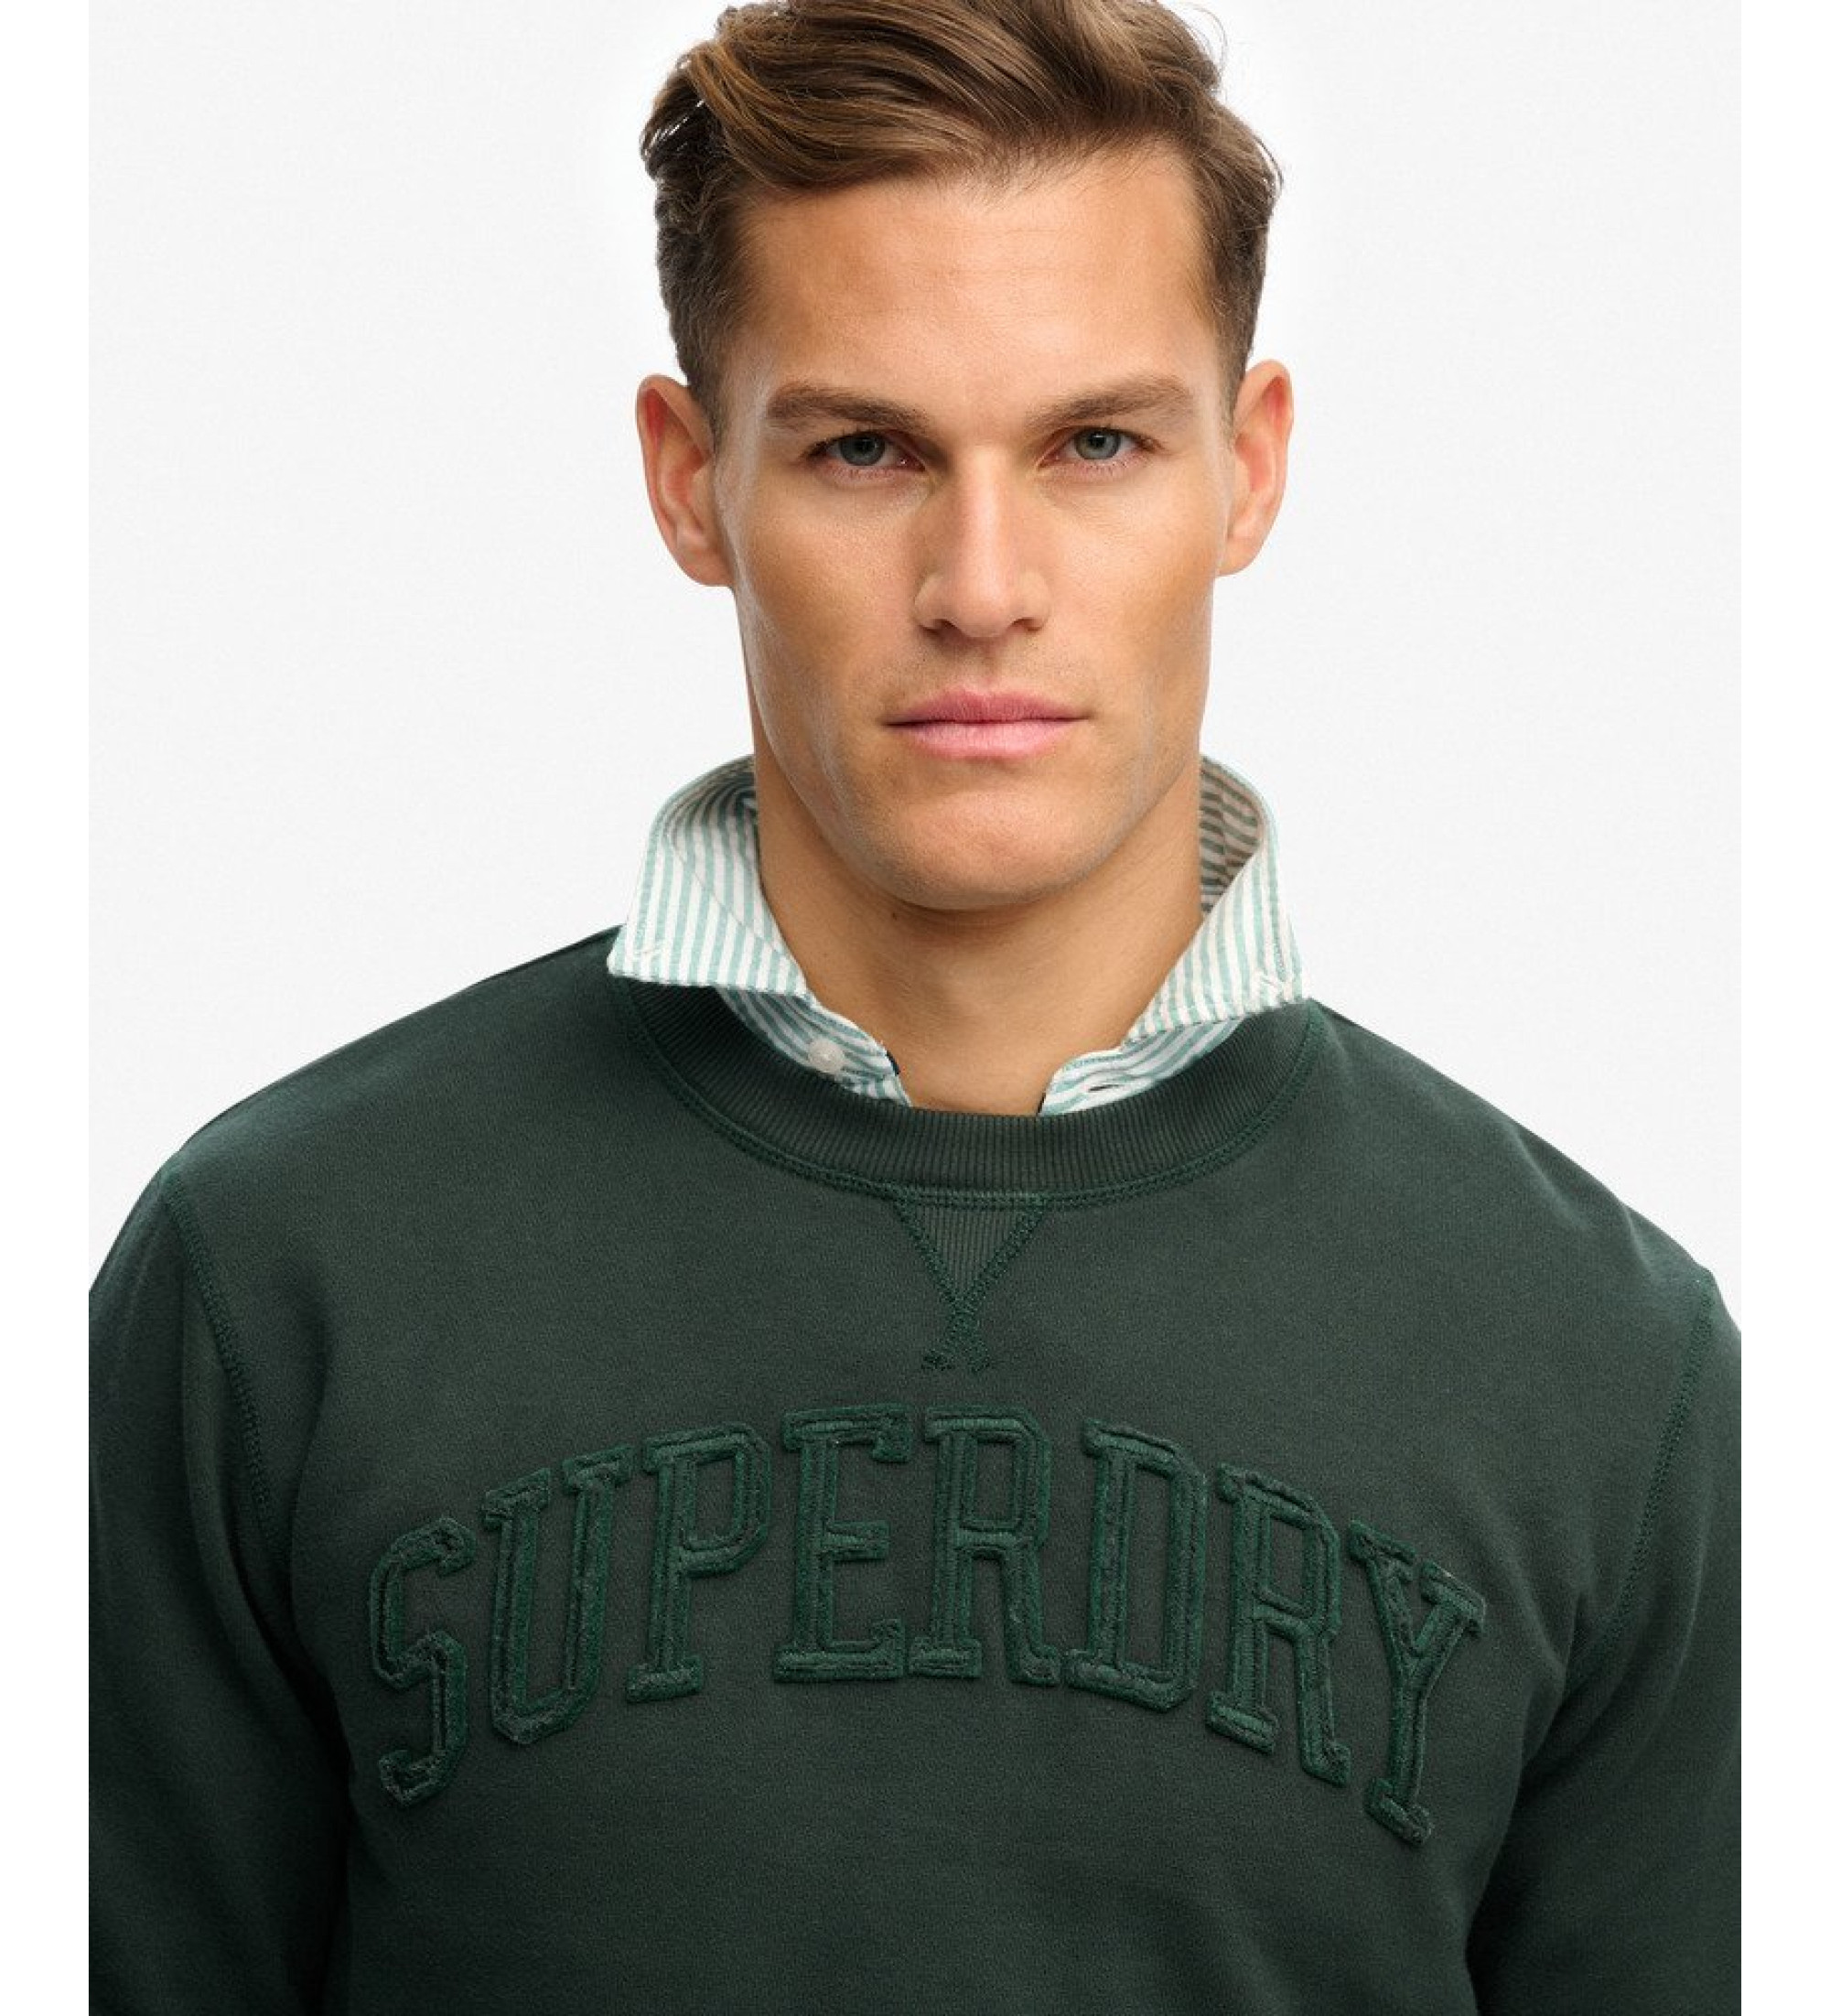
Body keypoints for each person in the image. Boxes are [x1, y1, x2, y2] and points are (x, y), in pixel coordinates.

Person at [90, 1, 1738, 2009]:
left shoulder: (1600, 1363)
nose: (980, 583)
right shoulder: (275, 1283)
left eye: (1095, 444)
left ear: (1248, 471)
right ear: (691, 481)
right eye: (864, 450)